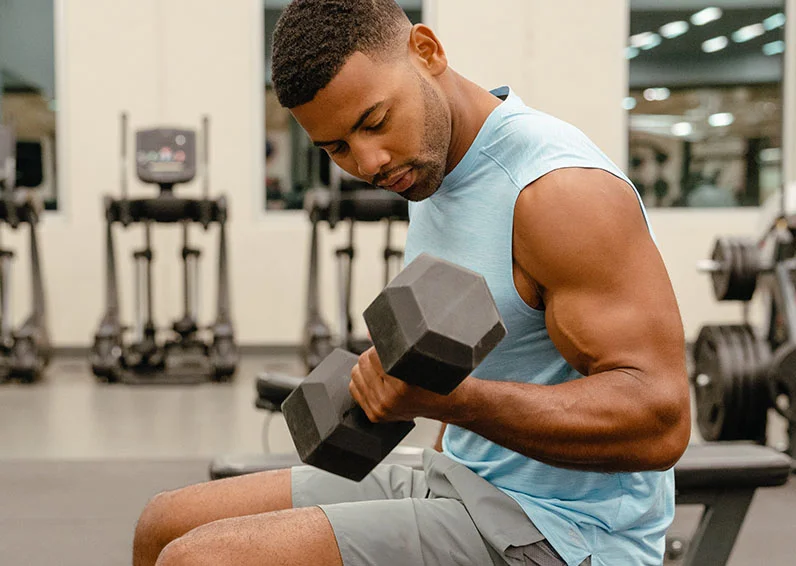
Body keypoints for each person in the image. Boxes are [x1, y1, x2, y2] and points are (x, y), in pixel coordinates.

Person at [132, 1, 691, 565]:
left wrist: (457, 403)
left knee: (203, 561)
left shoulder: (558, 193)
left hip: (565, 534)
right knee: (165, 524)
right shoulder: (429, 172)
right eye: (337, 148)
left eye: (373, 122)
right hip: (459, 483)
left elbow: (661, 422)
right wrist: (390, 391)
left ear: (427, 52)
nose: (369, 162)